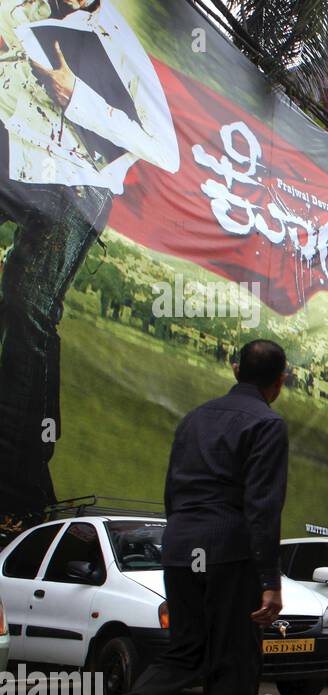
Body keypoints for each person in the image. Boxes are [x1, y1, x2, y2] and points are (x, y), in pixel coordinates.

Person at [61, 340, 291, 695]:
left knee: (184, 654)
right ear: (280, 380)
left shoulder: (194, 419)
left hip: (181, 547)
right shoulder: (267, 424)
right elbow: (262, 507)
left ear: (235, 369)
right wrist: (271, 579)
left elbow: (172, 494)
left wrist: (183, 544)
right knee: (236, 664)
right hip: (229, 553)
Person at [0, 0, 180, 529]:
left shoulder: (116, 38)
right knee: (28, 312)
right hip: (17, 162)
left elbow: (165, 149)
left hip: (78, 187)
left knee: (27, 307)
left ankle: (15, 487)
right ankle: (29, 480)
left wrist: (77, 96)